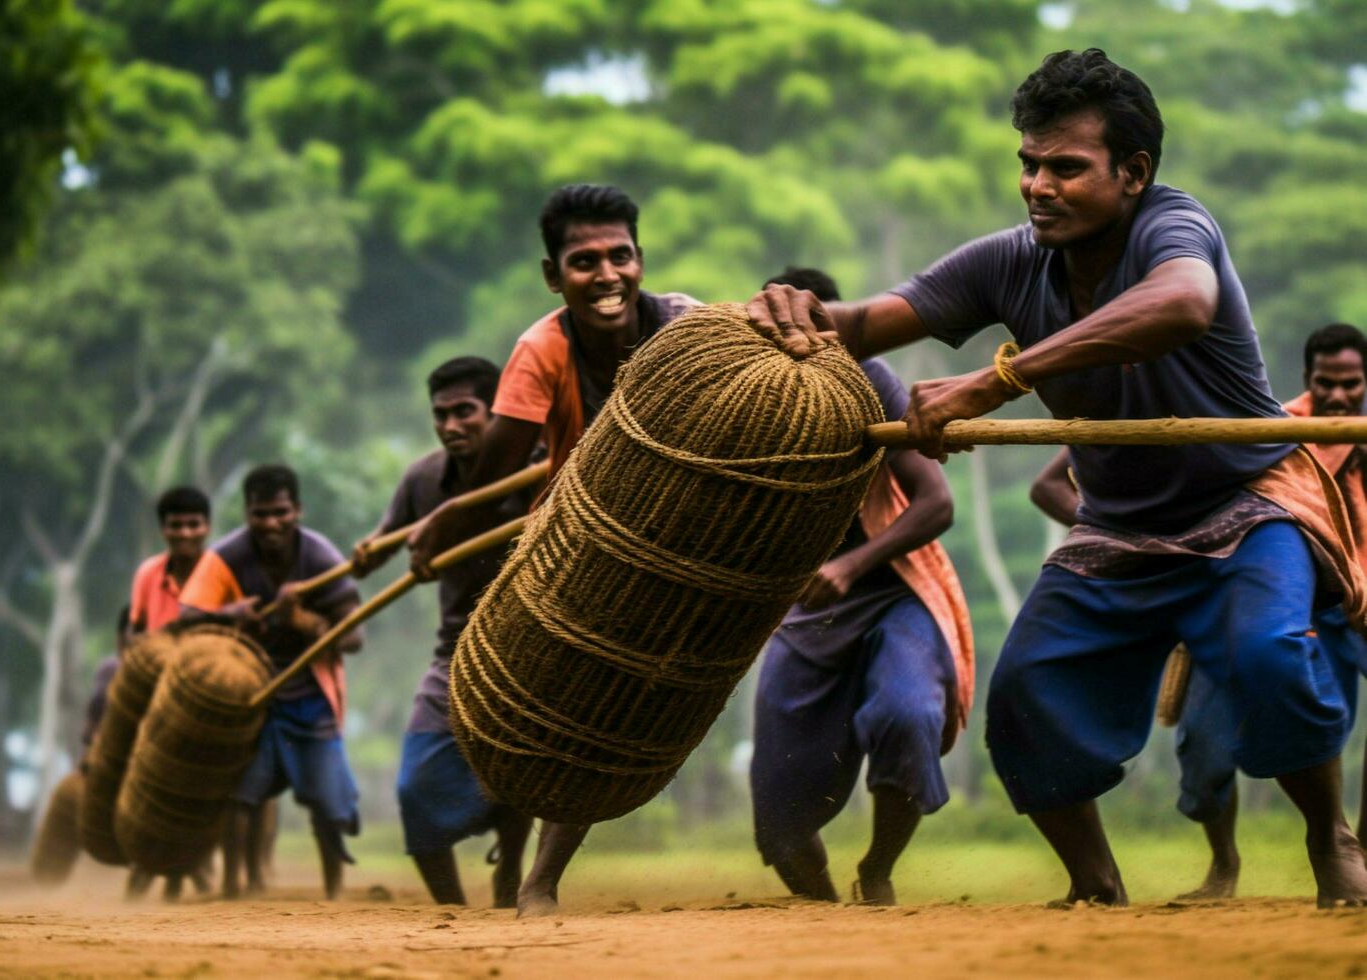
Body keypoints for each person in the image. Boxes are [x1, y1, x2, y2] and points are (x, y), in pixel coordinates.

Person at [749, 48, 1367, 907]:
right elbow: (867, 321)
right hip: (1115, 528)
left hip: (1244, 507)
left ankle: (1328, 838)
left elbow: (1180, 303)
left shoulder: (1174, 227)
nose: (1039, 185)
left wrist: (993, 380)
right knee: (1025, 699)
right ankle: (1096, 883)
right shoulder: (1007, 260)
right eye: (1029, 165)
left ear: (1135, 173)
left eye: (1067, 168)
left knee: (1270, 657)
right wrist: (790, 315)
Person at [406, 183, 698, 916]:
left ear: (641, 258)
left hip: (681, 540)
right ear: (553, 275)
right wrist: (446, 519)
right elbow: (496, 469)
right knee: (567, 709)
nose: (607, 277)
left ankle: (538, 877)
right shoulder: (541, 349)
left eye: (620, 256)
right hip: (580, 545)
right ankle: (530, 874)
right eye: (584, 261)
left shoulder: (686, 326)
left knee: (613, 714)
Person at [1033, 323, 1367, 899]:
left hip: (1350, 602)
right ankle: (1223, 866)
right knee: (1206, 751)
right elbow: (1051, 483)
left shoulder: (1258, 414)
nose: (1338, 398)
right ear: (1308, 379)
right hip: (1252, 594)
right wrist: (1133, 540)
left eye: (1352, 386)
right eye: (1326, 384)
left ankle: (1345, 847)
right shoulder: (1267, 424)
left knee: (1300, 698)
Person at [750, 269, 974, 905]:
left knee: (907, 714)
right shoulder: (742, 400)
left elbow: (936, 503)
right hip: (806, 610)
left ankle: (877, 870)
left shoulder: (869, 381)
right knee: (779, 816)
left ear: (829, 325)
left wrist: (851, 565)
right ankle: (822, 911)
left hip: (894, 590)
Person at [351, 357, 537, 907]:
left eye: (465, 413)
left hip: (532, 652)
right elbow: (386, 541)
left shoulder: (539, 468)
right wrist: (370, 551)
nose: (451, 426)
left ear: (496, 412)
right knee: (415, 788)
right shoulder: (423, 478)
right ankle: (451, 913)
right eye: (441, 415)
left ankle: (512, 874)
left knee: (522, 775)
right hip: (454, 653)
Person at [179, 464, 363, 899]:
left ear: (296, 510)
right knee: (239, 795)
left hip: (311, 694)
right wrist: (230, 614)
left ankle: (334, 892)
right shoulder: (226, 556)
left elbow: (354, 637)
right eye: (260, 514)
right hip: (250, 693)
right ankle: (232, 887)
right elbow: (185, 620)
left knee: (328, 802)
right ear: (247, 514)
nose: (270, 523)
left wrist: (298, 618)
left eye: (280, 512)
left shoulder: (322, 558)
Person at [128, 486, 211, 636]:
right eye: (176, 525)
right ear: (163, 529)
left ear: (207, 527)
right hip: (160, 656)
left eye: (193, 524)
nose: (185, 533)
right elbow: (137, 629)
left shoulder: (223, 569)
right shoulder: (148, 573)